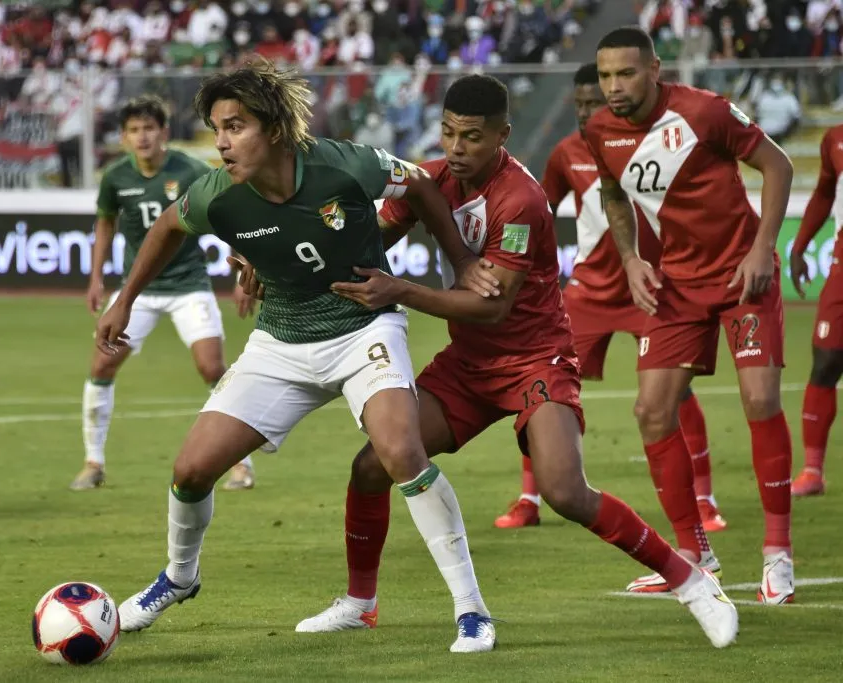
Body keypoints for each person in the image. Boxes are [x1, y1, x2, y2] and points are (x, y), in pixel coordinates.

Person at [292, 73, 738, 649]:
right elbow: (364, 241)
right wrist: (280, 263)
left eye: (472, 137)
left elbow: (493, 307)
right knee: (372, 466)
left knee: (565, 491)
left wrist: (399, 290)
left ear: (502, 135)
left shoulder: (519, 199)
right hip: (468, 366)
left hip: (535, 361)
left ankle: (693, 582)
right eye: (448, 133)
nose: (456, 148)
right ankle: (360, 603)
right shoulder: (431, 179)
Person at [95, 61, 503, 653]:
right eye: (217, 128)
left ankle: (472, 610)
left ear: (275, 128)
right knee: (190, 470)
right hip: (280, 342)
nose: (222, 142)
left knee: (401, 452)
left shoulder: (345, 164)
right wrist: (124, 300)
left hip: (363, 329)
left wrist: (462, 260)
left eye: (235, 126)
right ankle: (179, 577)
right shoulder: (218, 193)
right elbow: (166, 228)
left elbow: (418, 183)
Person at [586, 27, 796, 603]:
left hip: (742, 275)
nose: (613, 86)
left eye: (626, 73)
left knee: (760, 400)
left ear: (655, 69)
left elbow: (778, 166)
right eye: (605, 75)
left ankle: (778, 554)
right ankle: (693, 556)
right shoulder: (599, 130)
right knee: (652, 412)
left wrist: (763, 248)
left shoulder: (706, 112)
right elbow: (612, 193)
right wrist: (631, 258)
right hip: (676, 284)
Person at [495, 63, 728, 541]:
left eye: (593, 104)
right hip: (589, 293)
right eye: (579, 105)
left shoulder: (659, 144)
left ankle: (705, 500)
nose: (585, 113)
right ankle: (530, 499)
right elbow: (536, 211)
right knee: (541, 387)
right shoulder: (566, 153)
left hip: (653, 290)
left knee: (676, 395)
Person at [72, 94, 257, 492]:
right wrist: (96, 277)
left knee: (212, 368)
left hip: (188, 285)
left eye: (149, 129)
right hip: (137, 290)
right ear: (123, 137)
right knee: (101, 366)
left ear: (164, 133)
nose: (142, 137)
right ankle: (93, 462)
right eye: (134, 130)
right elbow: (105, 223)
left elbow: (229, 212)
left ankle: (241, 463)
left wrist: (243, 268)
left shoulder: (190, 170)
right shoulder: (116, 177)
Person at [788, 123, 843, 497]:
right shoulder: (834, 139)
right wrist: (799, 246)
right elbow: (824, 192)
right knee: (826, 358)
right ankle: (812, 472)